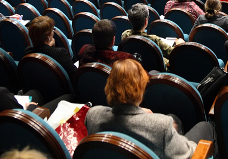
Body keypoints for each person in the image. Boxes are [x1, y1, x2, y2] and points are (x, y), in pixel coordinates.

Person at [85, 59, 217, 159]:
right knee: (206, 127)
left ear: (109, 86)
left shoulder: (92, 115)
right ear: (141, 88)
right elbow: (191, 153)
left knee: (173, 118)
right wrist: (176, 138)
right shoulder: (161, 125)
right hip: (173, 147)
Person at [0, 40, 37, 120]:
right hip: (16, 128)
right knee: (38, 95)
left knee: (34, 92)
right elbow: (22, 119)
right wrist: (31, 107)